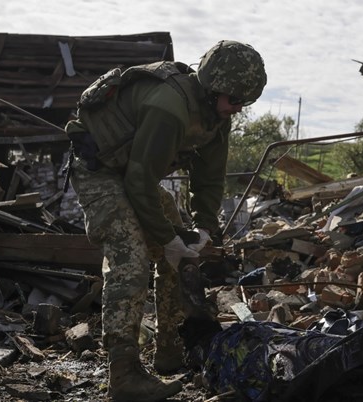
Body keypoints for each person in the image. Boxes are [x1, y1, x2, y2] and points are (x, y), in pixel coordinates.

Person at [64, 40, 266, 402]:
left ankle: (171, 347)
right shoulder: (169, 107)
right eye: (234, 100)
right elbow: (140, 185)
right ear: (213, 86)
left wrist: (203, 230)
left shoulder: (215, 118)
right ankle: (124, 374)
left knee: (184, 249)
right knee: (132, 257)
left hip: (132, 175)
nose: (237, 109)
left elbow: (209, 181)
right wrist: (165, 237)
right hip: (100, 173)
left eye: (244, 103)